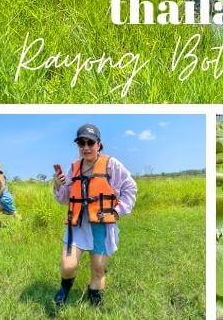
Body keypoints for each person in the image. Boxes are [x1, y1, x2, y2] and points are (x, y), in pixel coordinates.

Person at [52, 124, 137, 308]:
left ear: (99, 144)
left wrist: (118, 210)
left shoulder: (112, 165)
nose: (86, 147)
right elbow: (65, 198)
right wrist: (58, 186)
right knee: (67, 266)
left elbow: (130, 187)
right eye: (81, 143)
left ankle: (94, 293)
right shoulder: (73, 168)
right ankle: (65, 288)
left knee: (98, 268)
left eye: (90, 142)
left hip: (101, 224)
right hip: (76, 226)